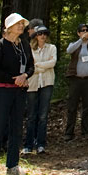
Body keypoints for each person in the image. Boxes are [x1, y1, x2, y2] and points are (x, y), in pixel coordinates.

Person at [0, 13, 34, 175]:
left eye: (22, 23)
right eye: (18, 24)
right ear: (9, 27)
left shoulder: (25, 45)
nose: (22, 26)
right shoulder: (0, 46)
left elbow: (31, 66)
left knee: (16, 129)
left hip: (19, 92)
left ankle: (13, 165)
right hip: (2, 91)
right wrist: (14, 80)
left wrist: (25, 76)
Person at [22, 25, 56, 154]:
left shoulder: (52, 48)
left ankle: (41, 144)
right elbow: (28, 66)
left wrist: (37, 66)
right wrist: (41, 66)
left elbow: (52, 63)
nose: (43, 36)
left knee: (43, 115)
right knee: (31, 115)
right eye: (40, 33)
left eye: (45, 34)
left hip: (47, 83)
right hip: (32, 84)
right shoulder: (29, 49)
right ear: (36, 35)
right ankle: (28, 144)